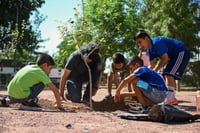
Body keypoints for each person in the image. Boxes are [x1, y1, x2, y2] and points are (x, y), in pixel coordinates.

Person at [133, 30, 190, 105]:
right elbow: (151, 66)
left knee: (169, 74)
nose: (139, 46)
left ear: (146, 38)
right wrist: (150, 72)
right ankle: (171, 98)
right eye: (138, 44)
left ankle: (170, 99)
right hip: (173, 57)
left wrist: (118, 92)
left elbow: (165, 58)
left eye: (140, 42)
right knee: (167, 74)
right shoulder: (149, 50)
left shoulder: (156, 43)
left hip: (181, 52)